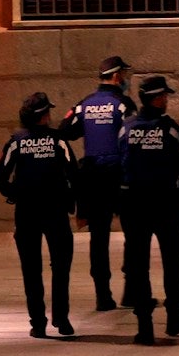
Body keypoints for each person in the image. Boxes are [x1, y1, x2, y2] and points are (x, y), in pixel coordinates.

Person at [118, 76, 179, 345]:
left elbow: (120, 162)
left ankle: (144, 327)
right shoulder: (170, 128)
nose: (167, 100)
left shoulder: (126, 128)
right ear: (157, 98)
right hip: (166, 204)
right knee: (172, 261)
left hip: (134, 205)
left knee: (138, 266)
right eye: (165, 96)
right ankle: (174, 317)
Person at [0, 92, 77, 338]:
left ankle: (38, 323)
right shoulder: (57, 140)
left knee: (31, 269)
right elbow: (74, 173)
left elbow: (0, 176)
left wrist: (14, 194)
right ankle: (62, 320)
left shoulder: (16, 141)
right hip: (55, 212)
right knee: (61, 267)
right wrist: (72, 200)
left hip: (27, 212)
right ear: (43, 116)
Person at [60, 55, 137, 311]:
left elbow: (65, 130)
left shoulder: (84, 105)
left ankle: (103, 295)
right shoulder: (124, 104)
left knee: (99, 236)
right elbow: (133, 136)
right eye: (124, 76)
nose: (126, 80)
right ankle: (131, 290)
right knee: (133, 231)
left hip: (93, 177)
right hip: (119, 175)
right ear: (116, 77)